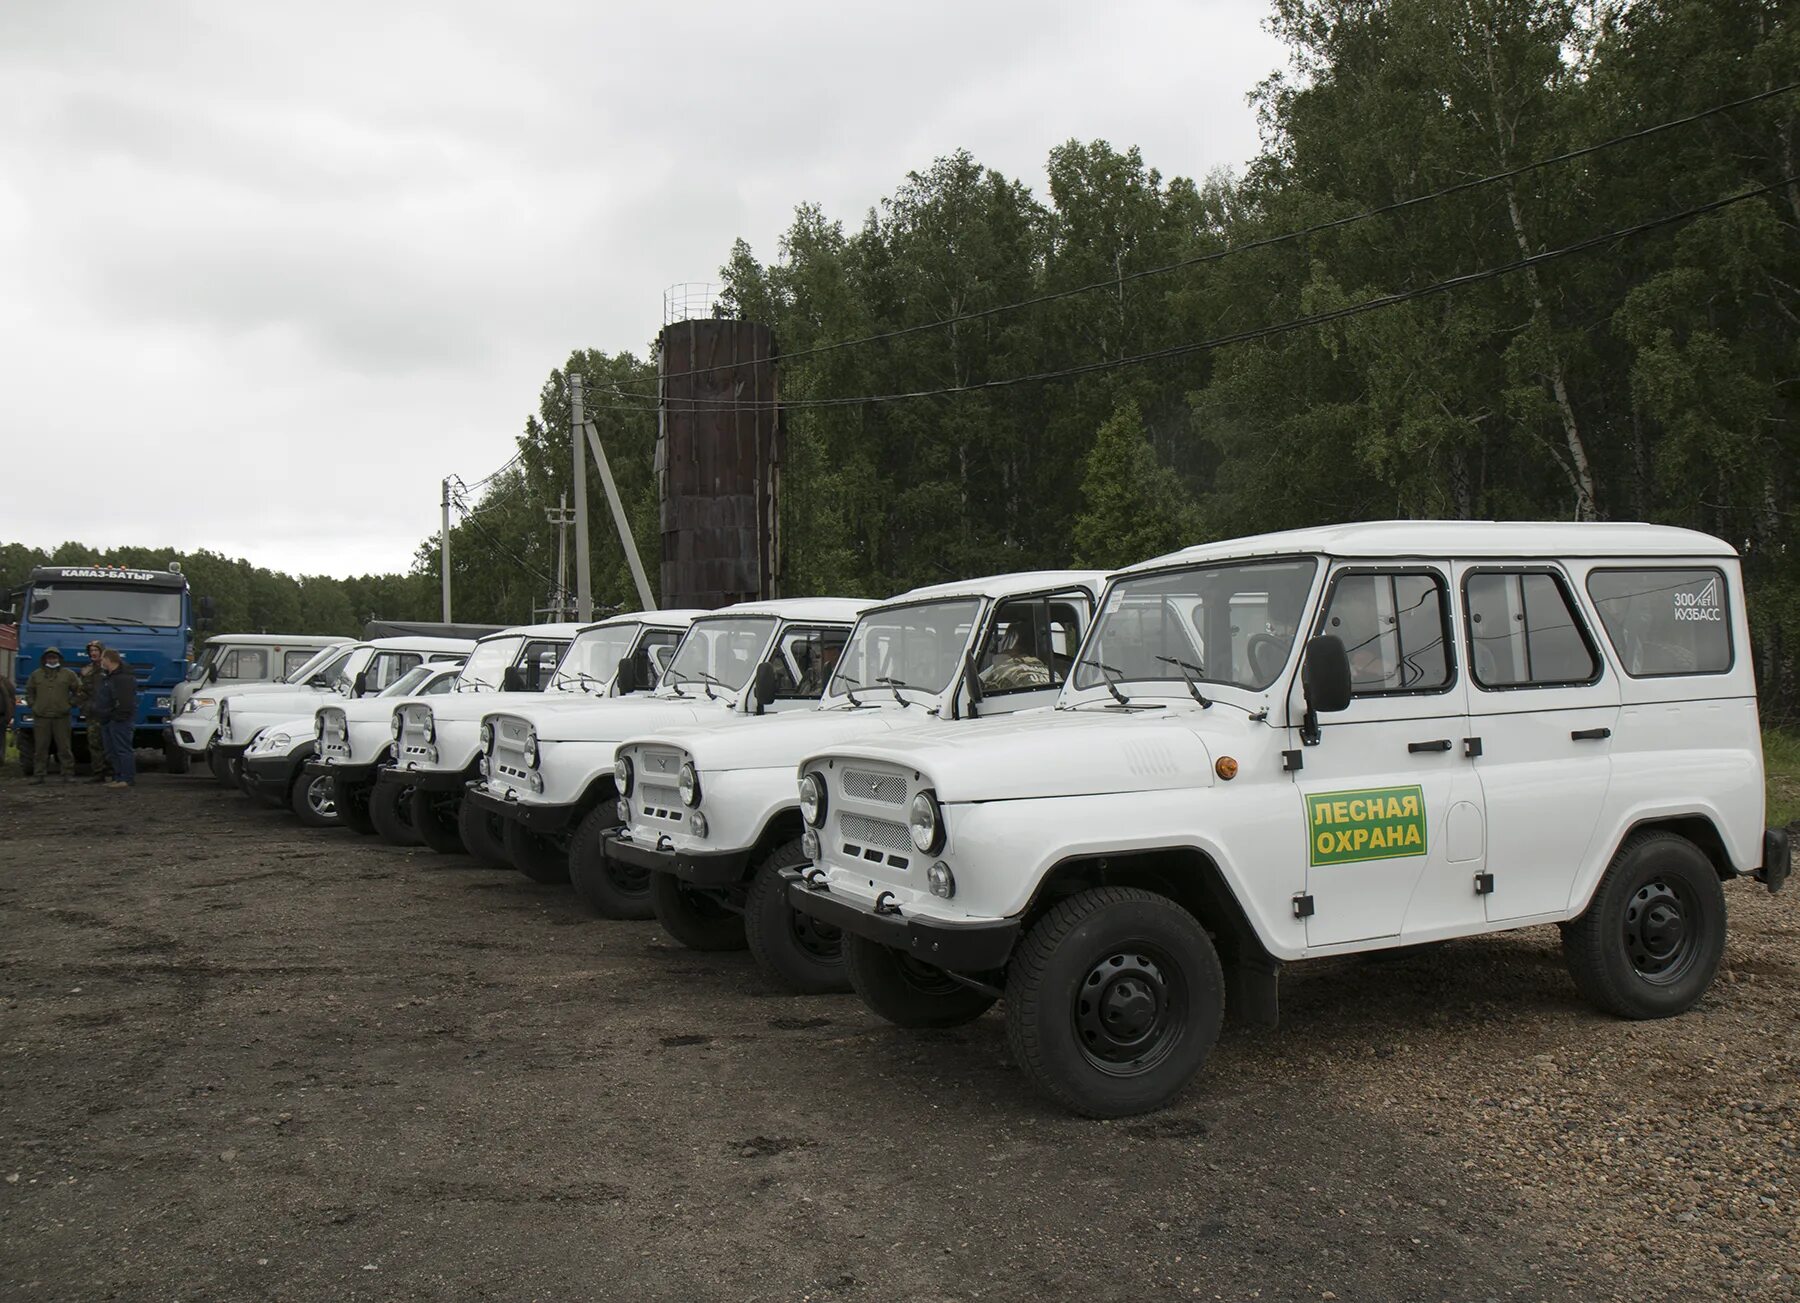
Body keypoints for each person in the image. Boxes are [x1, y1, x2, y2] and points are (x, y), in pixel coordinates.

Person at [24, 647, 81, 784]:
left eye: (54, 658)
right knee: (40, 747)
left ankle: (67, 773)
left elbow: (79, 691)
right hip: (41, 717)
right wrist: (34, 705)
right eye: (49, 658)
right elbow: (29, 691)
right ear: (44, 660)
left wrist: (70, 704)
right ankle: (39, 774)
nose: (52, 660)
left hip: (62, 716)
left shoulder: (68, 674)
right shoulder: (36, 675)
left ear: (59, 659)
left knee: (64, 747)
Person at [91, 649, 138, 789]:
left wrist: (118, 716)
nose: (101, 661)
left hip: (119, 720)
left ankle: (127, 778)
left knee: (122, 749)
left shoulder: (123, 678)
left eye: (103, 658)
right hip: (108, 719)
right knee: (111, 750)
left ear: (109, 660)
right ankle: (118, 776)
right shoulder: (109, 677)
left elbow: (126, 701)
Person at [980, 620, 1051, 692]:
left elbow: (982, 690)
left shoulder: (1004, 670)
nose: (1000, 642)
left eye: (1004, 637)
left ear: (1013, 639)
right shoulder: (1051, 672)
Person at [79, 640, 113, 782]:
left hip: (107, 712)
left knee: (110, 743)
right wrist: (83, 705)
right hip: (92, 713)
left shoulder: (109, 669)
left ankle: (112, 771)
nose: (93, 653)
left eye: (96, 651)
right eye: (91, 651)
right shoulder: (86, 671)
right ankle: (98, 772)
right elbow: (82, 691)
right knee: (94, 743)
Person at [0, 667, 15, 768]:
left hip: (1, 716)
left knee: (0, 738)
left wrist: (10, 714)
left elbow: (12, 698)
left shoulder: (4, 682)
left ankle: (0, 759)